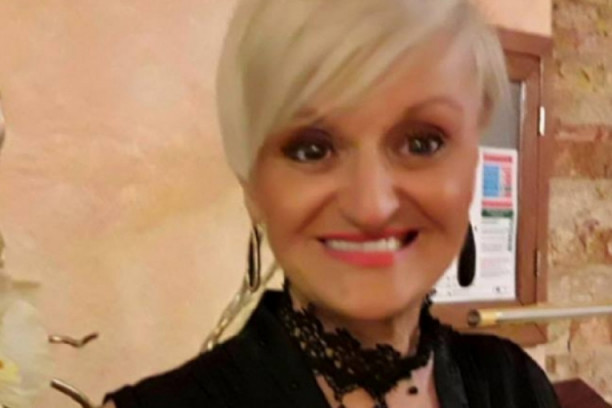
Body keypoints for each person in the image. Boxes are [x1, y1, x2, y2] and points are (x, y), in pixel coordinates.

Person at [104, 0, 561, 407]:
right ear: (252, 187)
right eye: (311, 149)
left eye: (422, 143)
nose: (372, 206)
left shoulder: (515, 385)